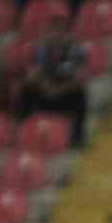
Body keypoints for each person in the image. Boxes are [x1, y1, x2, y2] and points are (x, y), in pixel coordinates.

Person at [18, 9, 90, 146]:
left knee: (80, 94)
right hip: (45, 92)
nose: (56, 35)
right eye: (53, 31)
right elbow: (31, 76)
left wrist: (59, 89)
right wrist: (46, 87)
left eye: (60, 31)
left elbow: (81, 78)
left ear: (67, 34)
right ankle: (22, 131)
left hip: (65, 94)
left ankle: (78, 137)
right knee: (26, 90)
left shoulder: (76, 51)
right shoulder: (40, 51)